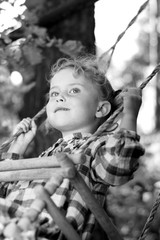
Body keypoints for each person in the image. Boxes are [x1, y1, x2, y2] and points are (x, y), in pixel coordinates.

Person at [0, 56, 145, 240]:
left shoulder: (95, 149)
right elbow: (5, 192)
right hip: (10, 222)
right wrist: (17, 149)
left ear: (100, 109)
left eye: (74, 90)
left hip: (44, 230)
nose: (60, 97)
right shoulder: (47, 155)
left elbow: (118, 166)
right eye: (54, 93)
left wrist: (130, 115)